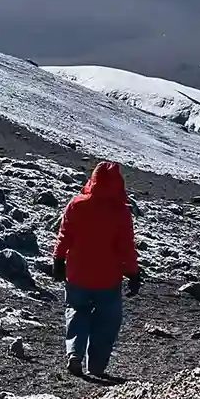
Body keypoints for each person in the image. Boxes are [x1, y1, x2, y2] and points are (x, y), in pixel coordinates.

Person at [52, 160, 142, 379]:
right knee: (107, 321)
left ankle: (74, 353)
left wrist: (58, 260)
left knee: (76, 311)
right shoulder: (120, 212)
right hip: (107, 277)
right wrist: (132, 273)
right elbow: (126, 247)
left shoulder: (76, 204)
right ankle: (97, 365)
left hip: (77, 273)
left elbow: (65, 235)